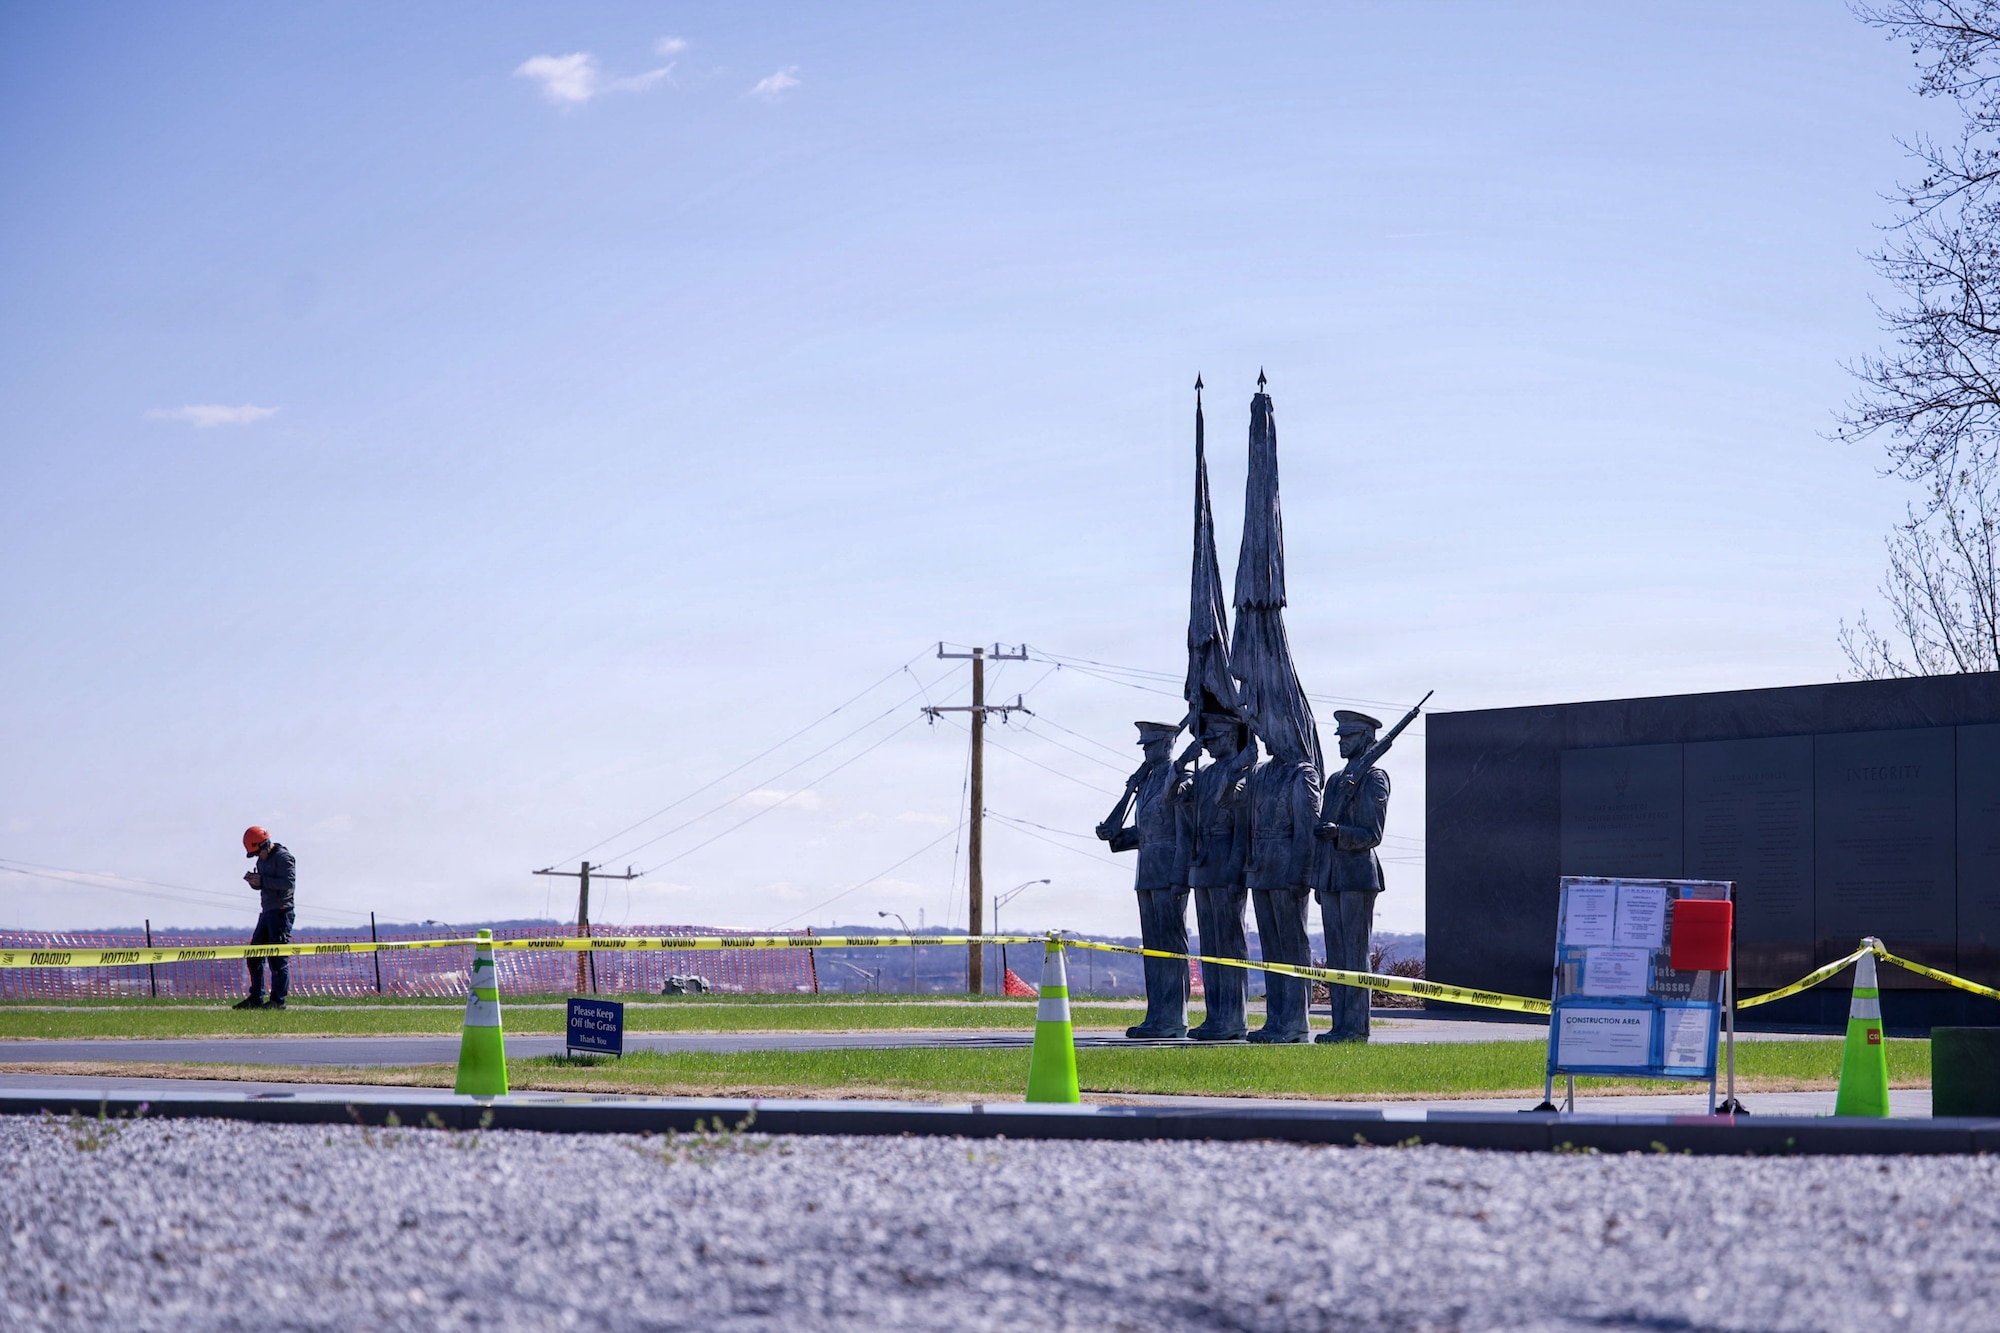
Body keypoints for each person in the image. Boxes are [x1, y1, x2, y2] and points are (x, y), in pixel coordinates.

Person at [1096, 720, 1194, 1038]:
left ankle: (1174, 1017)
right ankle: (1157, 1015)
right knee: (1153, 949)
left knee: (1171, 947)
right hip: (1147, 872)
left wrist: (1181, 876)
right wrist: (1128, 791)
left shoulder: (1178, 777)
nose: (1147, 751)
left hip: (1169, 873)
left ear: (1166, 745)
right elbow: (1135, 832)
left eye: (1151, 746)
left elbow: (1184, 831)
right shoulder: (1148, 782)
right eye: (1145, 747)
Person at [1223, 737, 1321, 1043]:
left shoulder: (1303, 774)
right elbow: (1227, 800)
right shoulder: (1259, 773)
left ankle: (1295, 1021)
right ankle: (1277, 1019)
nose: (1265, 736)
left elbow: (1308, 829)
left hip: (1287, 868)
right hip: (1261, 868)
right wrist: (1236, 769)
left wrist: (1302, 873)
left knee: (1292, 946)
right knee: (1272, 951)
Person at [1174, 711, 1255, 1040]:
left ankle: (1234, 1017)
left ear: (1232, 737)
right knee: (1210, 946)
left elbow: (1242, 827)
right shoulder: (1205, 773)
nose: (1208, 742)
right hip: (1203, 862)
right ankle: (1215, 1015)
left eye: (1215, 736)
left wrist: (1236, 868)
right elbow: (1172, 796)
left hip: (1226, 862)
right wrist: (1181, 764)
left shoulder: (1244, 772)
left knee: (1230, 944)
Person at [1314, 711, 1390, 1043]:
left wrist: (1338, 833)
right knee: (1337, 956)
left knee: (1355, 954)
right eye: (1341, 737)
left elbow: (1372, 833)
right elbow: (1321, 828)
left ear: (1364, 738)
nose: (1342, 742)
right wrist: (1319, 875)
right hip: (1332, 875)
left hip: (1358, 875)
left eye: (1348, 737)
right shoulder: (1334, 780)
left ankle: (1356, 1027)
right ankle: (1339, 1024)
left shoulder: (1374, 778)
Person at [236, 825, 295, 1010]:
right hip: (267, 912)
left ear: (265, 844)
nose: (257, 857)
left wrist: (263, 881)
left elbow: (287, 883)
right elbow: (265, 884)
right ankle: (256, 998)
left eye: (257, 853)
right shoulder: (261, 861)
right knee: (254, 956)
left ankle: (278, 1001)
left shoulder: (284, 858)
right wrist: (255, 882)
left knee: (277, 959)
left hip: (282, 912)